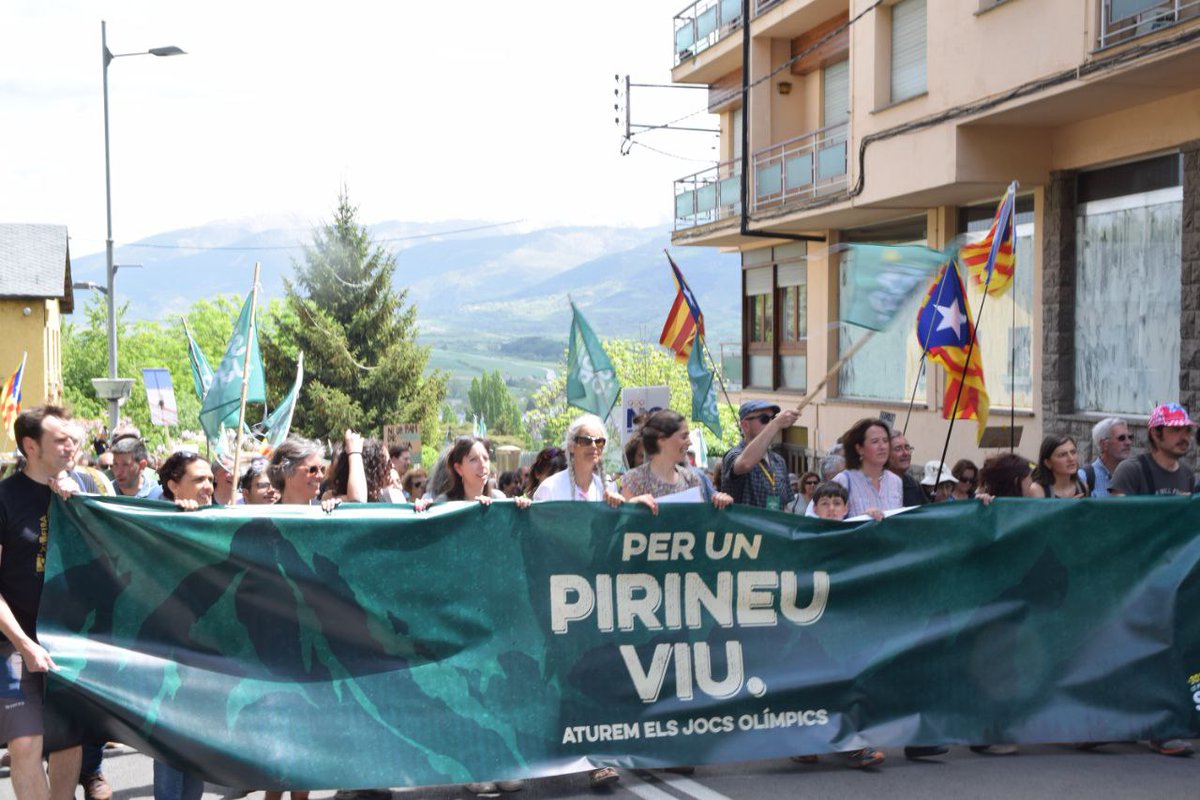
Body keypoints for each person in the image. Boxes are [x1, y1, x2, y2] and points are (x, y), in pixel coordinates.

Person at [0, 406, 84, 800]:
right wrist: (24, 643)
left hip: (73, 640)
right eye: (60, 440)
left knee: (67, 740)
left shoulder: (84, 490)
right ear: (31, 446)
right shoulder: (3, 498)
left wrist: (80, 503)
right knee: (26, 744)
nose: (71, 447)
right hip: (13, 644)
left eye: (73, 439)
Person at [622, 410, 733, 512]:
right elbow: (622, 524)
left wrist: (722, 502)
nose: (689, 442)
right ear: (662, 439)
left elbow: (702, 523)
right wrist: (633, 506)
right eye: (684, 437)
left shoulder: (691, 480)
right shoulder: (634, 479)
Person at [533, 415, 622, 507]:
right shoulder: (549, 488)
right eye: (585, 441)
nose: (593, 446)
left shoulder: (609, 490)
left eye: (599, 441)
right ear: (571, 446)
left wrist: (618, 508)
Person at [722, 401, 797, 510]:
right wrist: (775, 424)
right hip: (744, 526)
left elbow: (785, 505)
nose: (771, 422)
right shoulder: (734, 454)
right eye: (765, 419)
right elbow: (745, 464)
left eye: (773, 418)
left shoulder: (778, 461)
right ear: (745, 425)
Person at [1110, 403, 1195, 498]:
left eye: (1188, 430)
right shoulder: (1131, 471)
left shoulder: (1187, 474)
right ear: (1155, 434)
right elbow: (1117, 511)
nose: (1184, 437)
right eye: (1176, 429)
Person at [1079, 417, 1132, 497]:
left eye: (1130, 437)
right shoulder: (1084, 477)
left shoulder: (1135, 474)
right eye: (1121, 438)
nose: (1128, 442)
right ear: (1104, 444)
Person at [109, 435, 163, 499]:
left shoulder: (160, 496)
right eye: (115, 464)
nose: (118, 472)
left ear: (142, 465)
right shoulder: (105, 493)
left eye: (125, 465)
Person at [887, 434, 926, 506]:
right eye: (898, 449)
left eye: (907, 448)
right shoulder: (874, 482)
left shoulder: (914, 485)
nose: (905, 453)